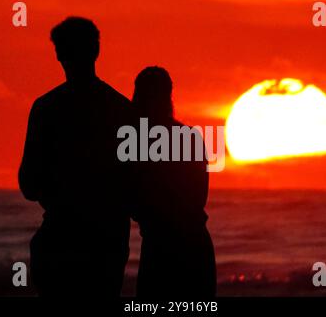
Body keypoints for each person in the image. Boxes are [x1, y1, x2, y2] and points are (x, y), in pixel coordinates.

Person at [18, 17, 134, 296]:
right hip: (107, 244)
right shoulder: (122, 109)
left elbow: (29, 185)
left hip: (60, 242)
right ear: (96, 51)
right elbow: (135, 185)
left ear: (59, 54)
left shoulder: (46, 109)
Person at [132, 66, 216, 297]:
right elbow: (200, 198)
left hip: (161, 249)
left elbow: (135, 205)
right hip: (194, 246)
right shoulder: (190, 137)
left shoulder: (136, 144)